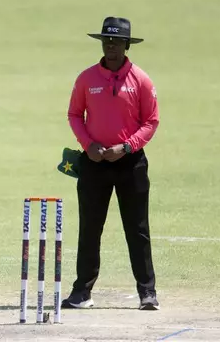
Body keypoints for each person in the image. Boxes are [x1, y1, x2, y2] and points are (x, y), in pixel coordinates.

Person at [62, 16, 160, 311]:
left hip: (130, 163)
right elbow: (74, 115)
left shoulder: (141, 80)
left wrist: (127, 146)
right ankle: (82, 292)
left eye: (117, 41)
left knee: (138, 229)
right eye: (107, 41)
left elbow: (151, 122)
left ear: (127, 45)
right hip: (94, 162)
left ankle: (147, 292)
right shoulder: (87, 78)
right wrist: (88, 145)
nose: (111, 46)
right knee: (90, 228)